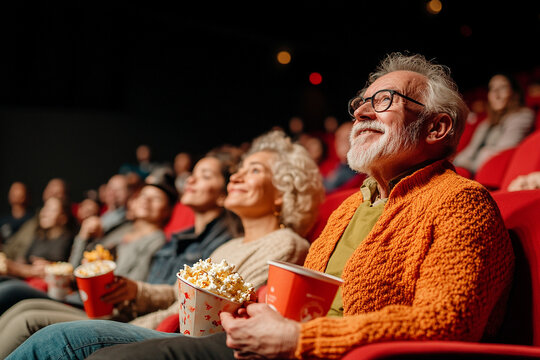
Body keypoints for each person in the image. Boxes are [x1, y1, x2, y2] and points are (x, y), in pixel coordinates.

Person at [57, 52, 513, 360]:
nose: (361, 112)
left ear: (436, 127)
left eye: (383, 100)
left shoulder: (461, 203)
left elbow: (446, 322)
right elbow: (297, 297)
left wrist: (297, 337)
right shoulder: (351, 207)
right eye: (360, 103)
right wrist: (250, 309)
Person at [5, 129, 326, 359]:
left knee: (54, 336)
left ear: (284, 191)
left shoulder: (285, 245)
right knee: (28, 314)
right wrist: (136, 291)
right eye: (238, 170)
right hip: (152, 322)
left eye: (253, 171)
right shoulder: (230, 245)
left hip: (175, 337)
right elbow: (176, 294)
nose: (236, 177)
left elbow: (216, 316)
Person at [0, 151, 242, 357]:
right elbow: (81, 272)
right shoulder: (174, 238)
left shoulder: (169, 240)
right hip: (111, 305)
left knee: (26, 313)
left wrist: (127, 289)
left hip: (128, 314)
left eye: (155, 198)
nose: (191, 181)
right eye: (143, 196)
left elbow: (166, 294)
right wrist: (86, 242)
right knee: (21, 306)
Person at [453, 72, 535, 174]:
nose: (496, 94)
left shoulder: (523, 115)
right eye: (492, 89)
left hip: (492, 173)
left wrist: (465, 167)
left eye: (502, 87)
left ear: (514, 92)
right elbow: (470, 150)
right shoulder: (486, 123)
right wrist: (454, 165)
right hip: (473, 169)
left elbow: (503, 153)